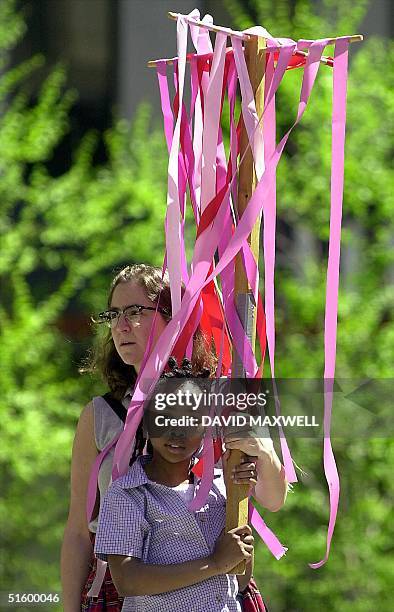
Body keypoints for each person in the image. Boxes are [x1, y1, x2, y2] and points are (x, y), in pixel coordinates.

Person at [60, 264, 216, 612]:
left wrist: (260, 446)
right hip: (117, 591)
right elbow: (77, 530)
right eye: (113, 314)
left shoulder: (215, 403)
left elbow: (272, 496)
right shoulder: (99, 416)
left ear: (172, 318)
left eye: (134, 312)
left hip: (203, 587)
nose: (120, 325)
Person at [94, 370, 287, 611]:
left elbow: (240, 577)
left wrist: (237, 498)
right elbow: (127, 580)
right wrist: (214, 563)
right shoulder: (128, 493)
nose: (177, 431)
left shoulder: (221, 488)